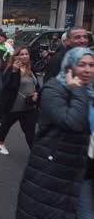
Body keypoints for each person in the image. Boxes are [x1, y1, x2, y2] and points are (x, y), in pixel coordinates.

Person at [16, 47, 94, 219]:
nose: (88, 70)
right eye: (82, 65)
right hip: (56, 169)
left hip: (84, 170)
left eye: (91, 65)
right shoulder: (54, 90)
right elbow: (72, 122)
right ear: (70, 67)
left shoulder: (90, 91)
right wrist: (78, 89)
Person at [0, 47, 40, 155]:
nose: (24, 56)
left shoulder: (30, 69)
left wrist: (37, 92)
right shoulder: (11, 69)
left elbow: (36, 85)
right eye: (22, 54)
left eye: (26, 54)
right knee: (6, 125)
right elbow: (9, 87)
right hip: (13, 106)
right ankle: (0, 143)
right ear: (16, 56)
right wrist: (14, 71)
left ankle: (36, 154)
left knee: (30, 131)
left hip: (28, 106)